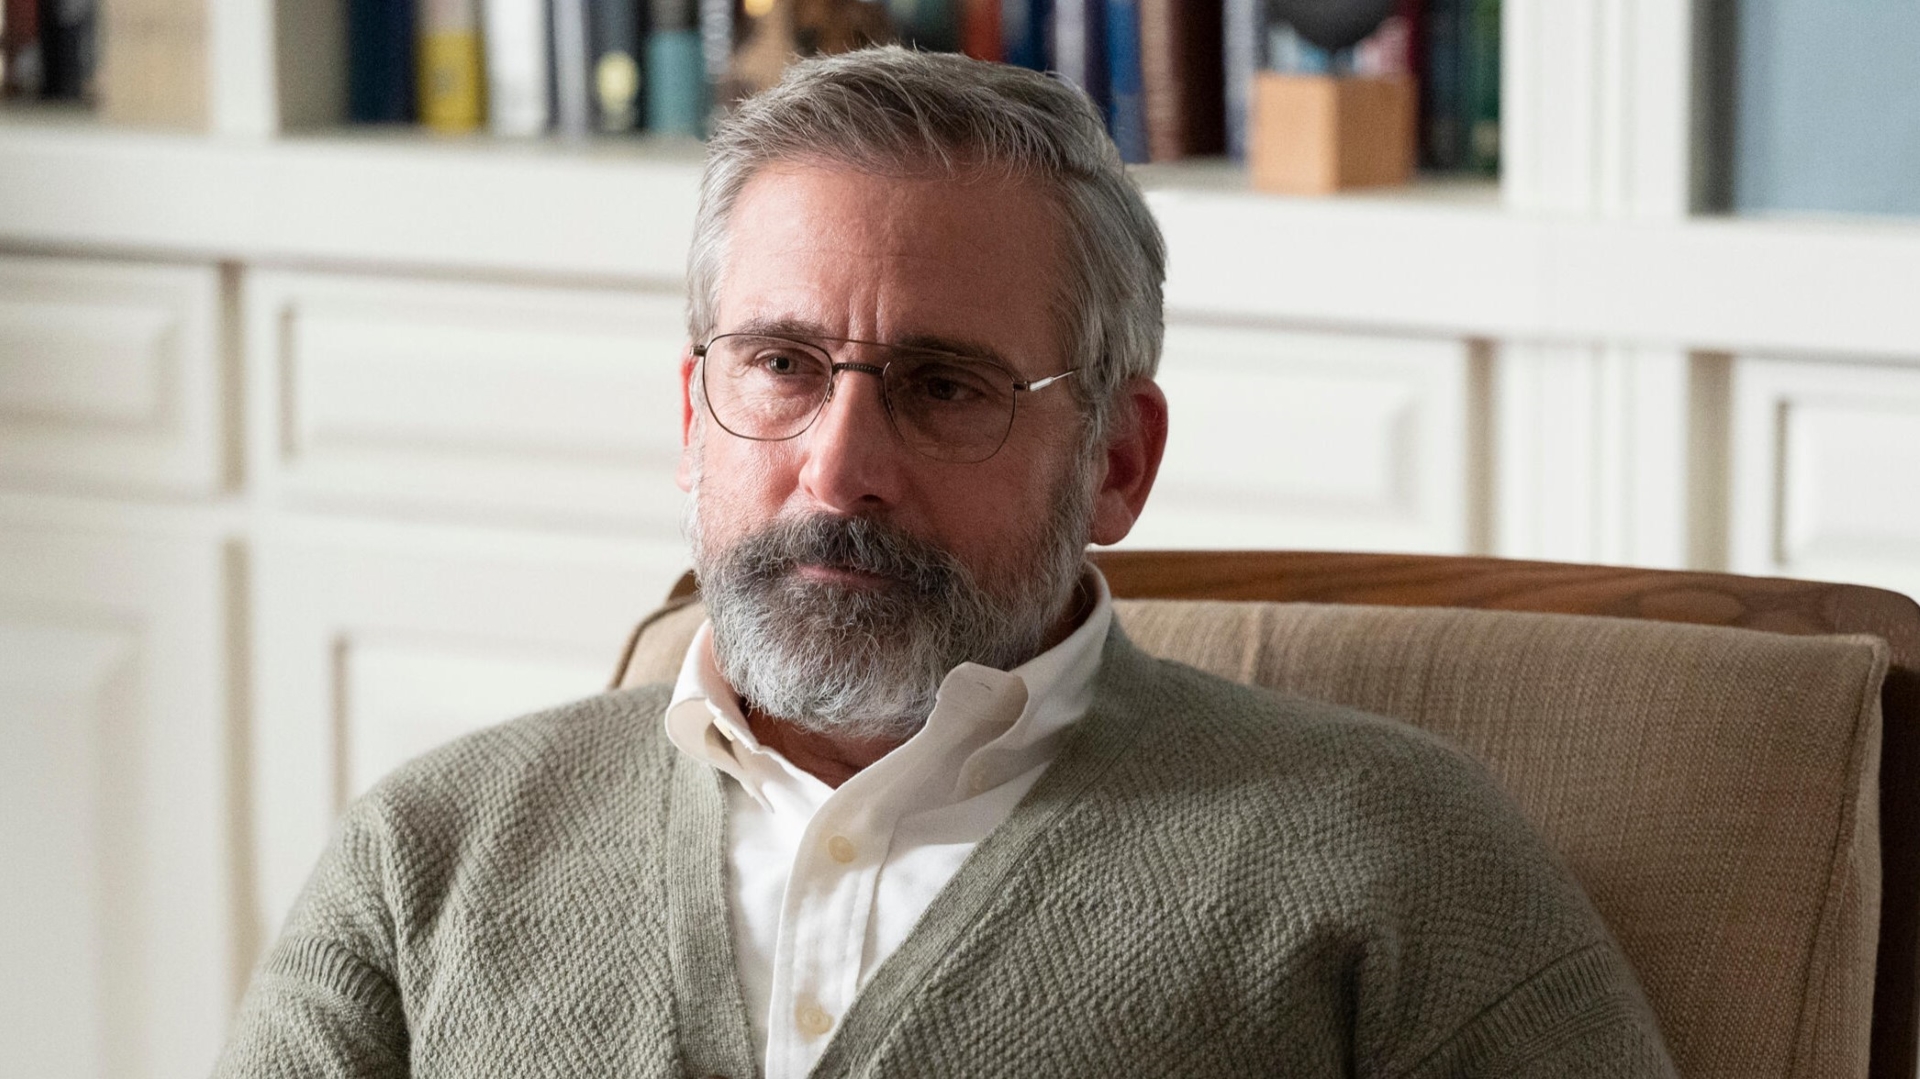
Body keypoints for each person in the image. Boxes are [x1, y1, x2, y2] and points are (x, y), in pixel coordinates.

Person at [216, 48, 1677, 1078]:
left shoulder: (1394, 856)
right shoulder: (430, 855)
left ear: (1116, 461)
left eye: (945, 386)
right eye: (782, 366)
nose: (839, 467)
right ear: (692, 416)